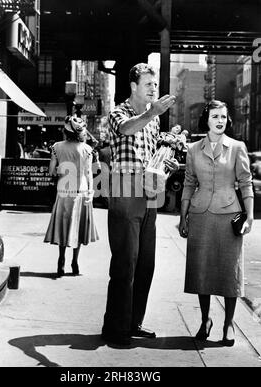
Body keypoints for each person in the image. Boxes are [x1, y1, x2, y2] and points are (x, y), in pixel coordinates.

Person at [101, 63, 179, 345]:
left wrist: (165, 162)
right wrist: (152, 113)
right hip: (125, 190)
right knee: (125, 261)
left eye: (154, 85)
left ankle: (134, 322)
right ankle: (116, 328)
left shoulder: (154, 119)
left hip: (149, 190)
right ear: (133, 86)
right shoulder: (119, 112)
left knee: (146, 263)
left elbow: (151, 153)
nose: (153, 90)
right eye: (148, 85)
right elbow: (125, 129)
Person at [178, 100, 254, 347]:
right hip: (200, 215)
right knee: (202, 271)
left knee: (229, 272)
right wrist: (183, 217)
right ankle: (205, 320)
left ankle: (229, 323)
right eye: (215, 117)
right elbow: (189, 182)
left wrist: (250, 215)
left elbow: (245, 183)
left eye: (223, 117)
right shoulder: (193, 149)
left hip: (229, 216)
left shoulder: (237, 147)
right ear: (206, 120)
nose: (220, 121)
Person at [44, 115, 99, 277]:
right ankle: (75, 261)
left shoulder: (56, 147)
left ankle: (61, 259)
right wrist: (91, 191)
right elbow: (89, 173)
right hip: (81, 191)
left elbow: (51, 171)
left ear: (66, 132)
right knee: (79, 229)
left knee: (63, 227)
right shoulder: (87, 150)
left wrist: (61, 170)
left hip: (63, 192)